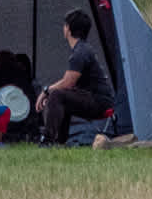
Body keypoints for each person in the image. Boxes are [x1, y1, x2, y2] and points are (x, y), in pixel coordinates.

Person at [38, 11, 115, 144]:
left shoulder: (80, 52)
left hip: (99, 102)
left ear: (68, 28)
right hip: (96, 99)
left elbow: (68, 82)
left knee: (57, 94)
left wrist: (46, 91)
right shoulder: (82, 49)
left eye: (64, 25)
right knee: (61, 97)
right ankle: (59, 142)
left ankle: (47, 141)